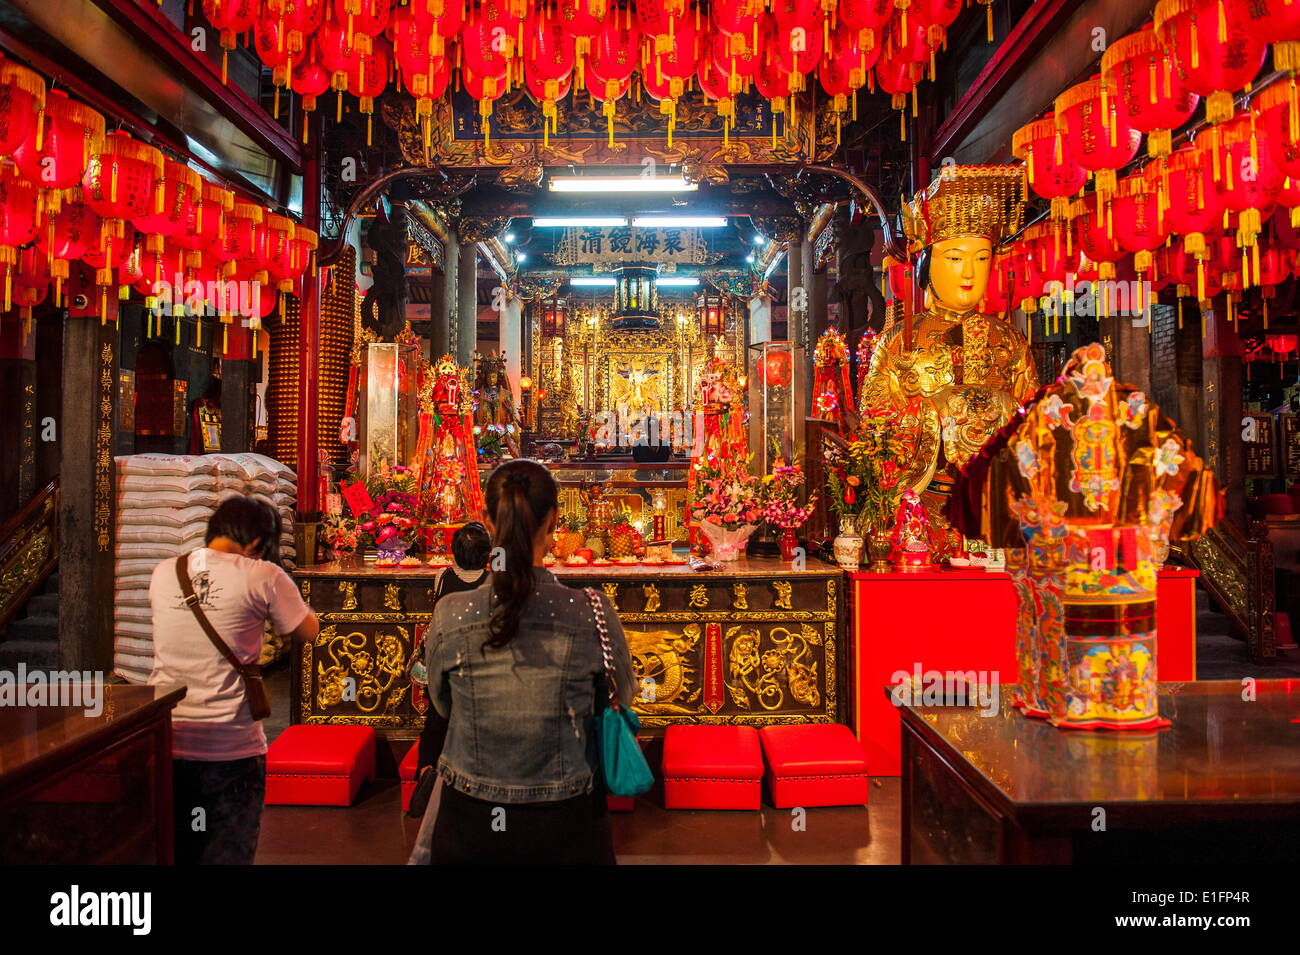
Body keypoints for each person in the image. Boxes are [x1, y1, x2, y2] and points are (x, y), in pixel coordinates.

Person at [423, 459, 635, 865]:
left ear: (486, 521)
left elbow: (442, 702)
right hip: (566, 815)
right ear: (555, 520)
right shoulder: (591, 609)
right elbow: (621, 696)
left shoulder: (452, 611)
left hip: (471, 813)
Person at [148, 495, 319, 865]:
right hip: (231, 746)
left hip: (167, 740)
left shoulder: (165, 571)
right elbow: (308, 630)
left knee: (176, 849)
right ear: (257, 543)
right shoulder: (264, 575)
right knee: (228, 851)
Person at [407, 521, 491, 816]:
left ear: (453, 552)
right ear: (488, 555)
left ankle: (426, 772)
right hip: (479, 670)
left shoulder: (442, 577)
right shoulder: (493, 583)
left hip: (444, 666)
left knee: (436, 720)